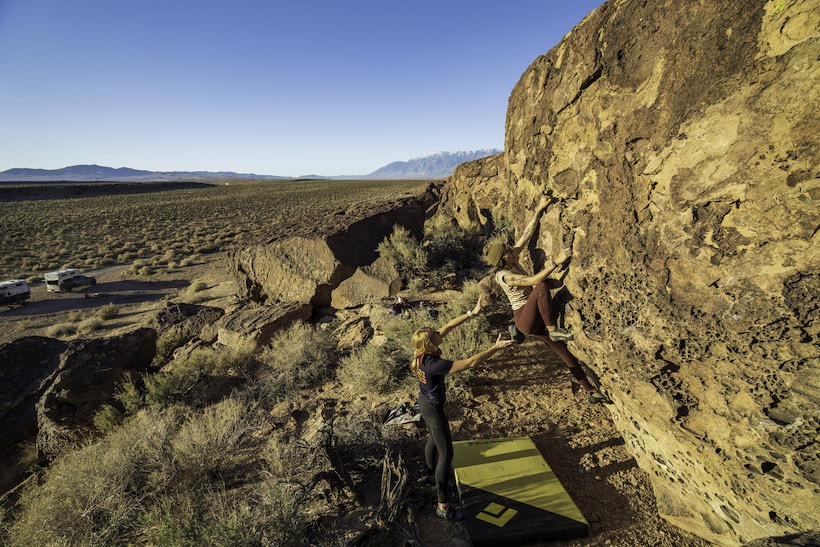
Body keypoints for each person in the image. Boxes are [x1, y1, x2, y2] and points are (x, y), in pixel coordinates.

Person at [482, 194, 610, 404]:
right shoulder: (504, 276)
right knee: (541, 286)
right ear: (503, 259)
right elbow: (534, 280)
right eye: (507, 251)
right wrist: (556, 262)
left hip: (536, 313)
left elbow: (526, 234)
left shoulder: (511, 258)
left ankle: (590, 391)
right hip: (525, 318)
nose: (512, 251)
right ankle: (553, 329)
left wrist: (539, 209)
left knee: (566, 355)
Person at [411, 298, 515, 521]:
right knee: (447, 453)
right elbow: (470, 363)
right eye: (436, 334)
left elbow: (448, 326)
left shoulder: (422, 353)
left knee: (433, 438)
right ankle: (442, 505)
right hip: (432, 407)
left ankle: (430, 475)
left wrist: (472, 312)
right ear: (430, 342)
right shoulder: (433, 364)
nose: (441, 333)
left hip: (424, 402)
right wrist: (495, 348)